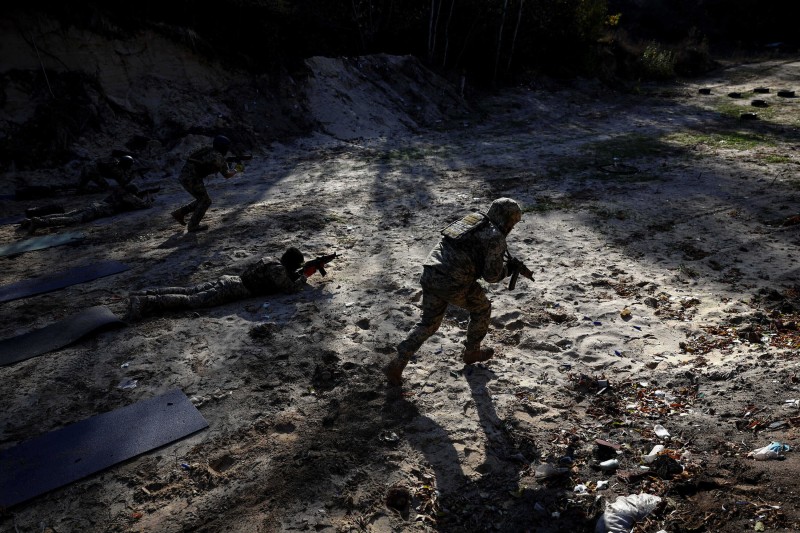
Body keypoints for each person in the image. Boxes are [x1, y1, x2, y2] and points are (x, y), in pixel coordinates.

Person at [384, 197, 523, 387]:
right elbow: (491, 276)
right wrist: (508, 270)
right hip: (454, 282)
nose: (512, 228)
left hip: (431, 271)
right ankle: (472, 351)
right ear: (507, 220)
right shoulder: (496, 237)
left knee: (428, 323)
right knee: (482, 308)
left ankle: (397, 362)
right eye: (513, 223)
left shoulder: (473, 219)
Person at [125, 247, 307, 320]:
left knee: (188, 290)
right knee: (192, 301)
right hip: (233, 289)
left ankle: (146, 294)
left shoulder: (271, 260)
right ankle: (146, 302)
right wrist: (304, 276)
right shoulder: (279, 270)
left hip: (230, 280)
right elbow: (289, 289)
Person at [170, 135, 238, 232]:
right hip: (192, 179)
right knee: (205, 201)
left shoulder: (206, 149)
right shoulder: (218, 157)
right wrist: (237, 169)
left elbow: (203, 160)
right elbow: (226, 175)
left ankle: (180, 213)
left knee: (202, 199)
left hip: (185, 176)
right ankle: (193, 225)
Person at [21, 185, 154, 234]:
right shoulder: (128, 195)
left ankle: (31, 221)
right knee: (72, 220)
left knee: (69, 214)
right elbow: (145, 206)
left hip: (95, 205)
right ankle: (40, 222)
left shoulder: (119, 191)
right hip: (98, 211)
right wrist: (148, 196)